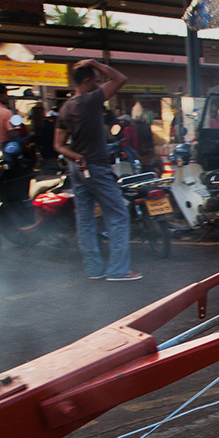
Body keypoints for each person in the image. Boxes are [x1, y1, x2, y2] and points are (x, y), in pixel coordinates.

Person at [54, 59, 141, 282]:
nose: (99, 83)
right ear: (86, 81)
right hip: (96, 167)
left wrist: (77, 156)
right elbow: (121, 78)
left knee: (85, 220)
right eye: (96, 80)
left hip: (77, 168)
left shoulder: (65, 107)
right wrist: (95, 62)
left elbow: (59, 145)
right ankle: (118, 270)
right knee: (119, 214)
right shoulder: (90, 100)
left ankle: (94, 270)